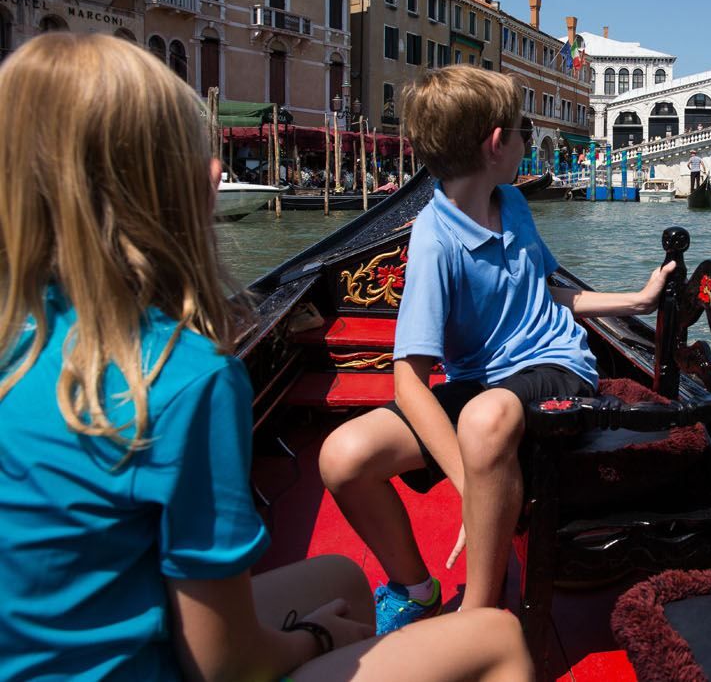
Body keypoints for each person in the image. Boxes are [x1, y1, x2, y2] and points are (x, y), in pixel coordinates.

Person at [0, 36, 532, 681]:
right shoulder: (183, 377)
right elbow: (224, 666)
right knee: (497, 636)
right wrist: (314, 637)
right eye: (200, 152)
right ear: (169, 187)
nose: (218, 169)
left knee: (342, 576)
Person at [319, 67, 674, 632]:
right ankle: (416, 589)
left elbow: (547, 293)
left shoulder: (513, 204)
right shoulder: (435, 238)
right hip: (484, 387)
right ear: (495, 143)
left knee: (484, 418)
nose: (527, 141)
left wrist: (634, 301)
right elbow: (408, 381)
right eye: (522, 130)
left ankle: (478, 622)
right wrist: (468, 486)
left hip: (558, 366)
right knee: (343, 457)